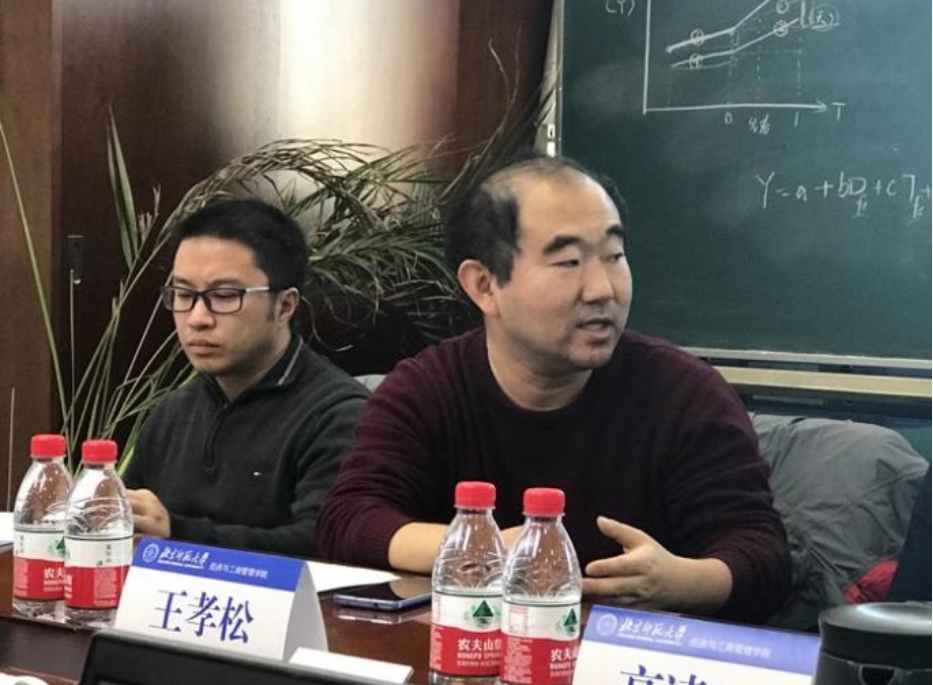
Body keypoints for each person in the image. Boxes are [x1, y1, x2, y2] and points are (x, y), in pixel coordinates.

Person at [317, 152, 791, 623]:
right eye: (568, 262)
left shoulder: (685, 395)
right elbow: (349, 520)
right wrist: (475, 547)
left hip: (628, 654)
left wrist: (681, 583)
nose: (603, 289)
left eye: (615, 256)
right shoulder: (427, 389)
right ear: (484, 285)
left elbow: (762, 557)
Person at [124, 199, 368, 557]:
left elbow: (323, 543)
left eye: (225, 296)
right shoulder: (174, 411)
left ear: (284, 306)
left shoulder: (339, 415)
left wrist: (177, 533)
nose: (198, 318)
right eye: (184, 295)